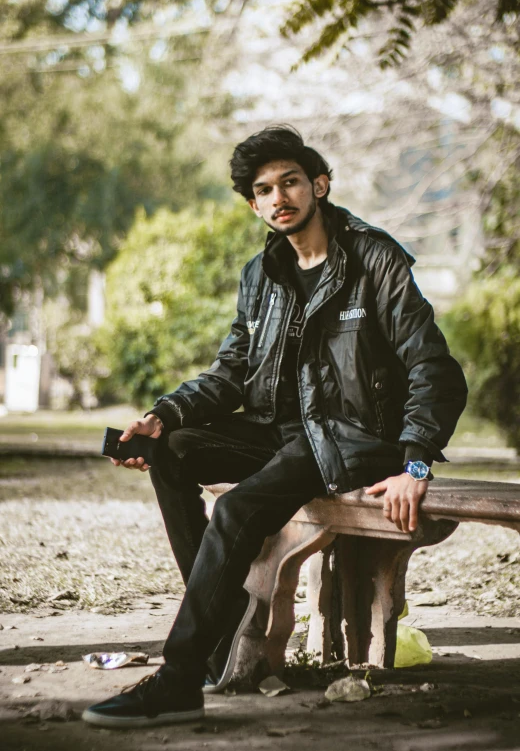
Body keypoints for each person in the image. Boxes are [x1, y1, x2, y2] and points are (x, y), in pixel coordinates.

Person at [82, 126, 467, 728]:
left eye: (290, 181)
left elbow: (435, 370)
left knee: (238, 511)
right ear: (254, 205)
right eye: (264, 190)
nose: (278, 196)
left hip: (353, 438)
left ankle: (181, 677)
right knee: (173, 452)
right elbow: (232, 373)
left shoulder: (373, 258)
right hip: (287, 432)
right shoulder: (261, 274)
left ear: (319, 185)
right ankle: (223, 628)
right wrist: (165, 415)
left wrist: (413, 462)